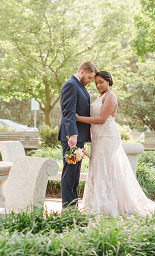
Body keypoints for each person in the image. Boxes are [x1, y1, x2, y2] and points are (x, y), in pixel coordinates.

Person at [76, 71, 155, 217]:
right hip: (98, 138)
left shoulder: (111, 95)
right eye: (96, 82)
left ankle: (113, 204)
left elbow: (102, 119)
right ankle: (98, 203)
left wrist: (79, 118)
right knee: (98, 167)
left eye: (101, 82)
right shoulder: (100, 97)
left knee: (109, 169)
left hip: (108, 137)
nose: (98, 85)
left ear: (108, 81)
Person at [58, 61, 96, 208]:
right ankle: (68, 209)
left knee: (75, 175)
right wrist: (73, 135)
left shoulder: (79, 85)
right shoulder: (71, 85)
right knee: (69, 174)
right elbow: (68, 113)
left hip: (77, 137)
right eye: (89, 78)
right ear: (82, 72)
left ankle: (73, 207)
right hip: (71, 138)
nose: (90, 81)